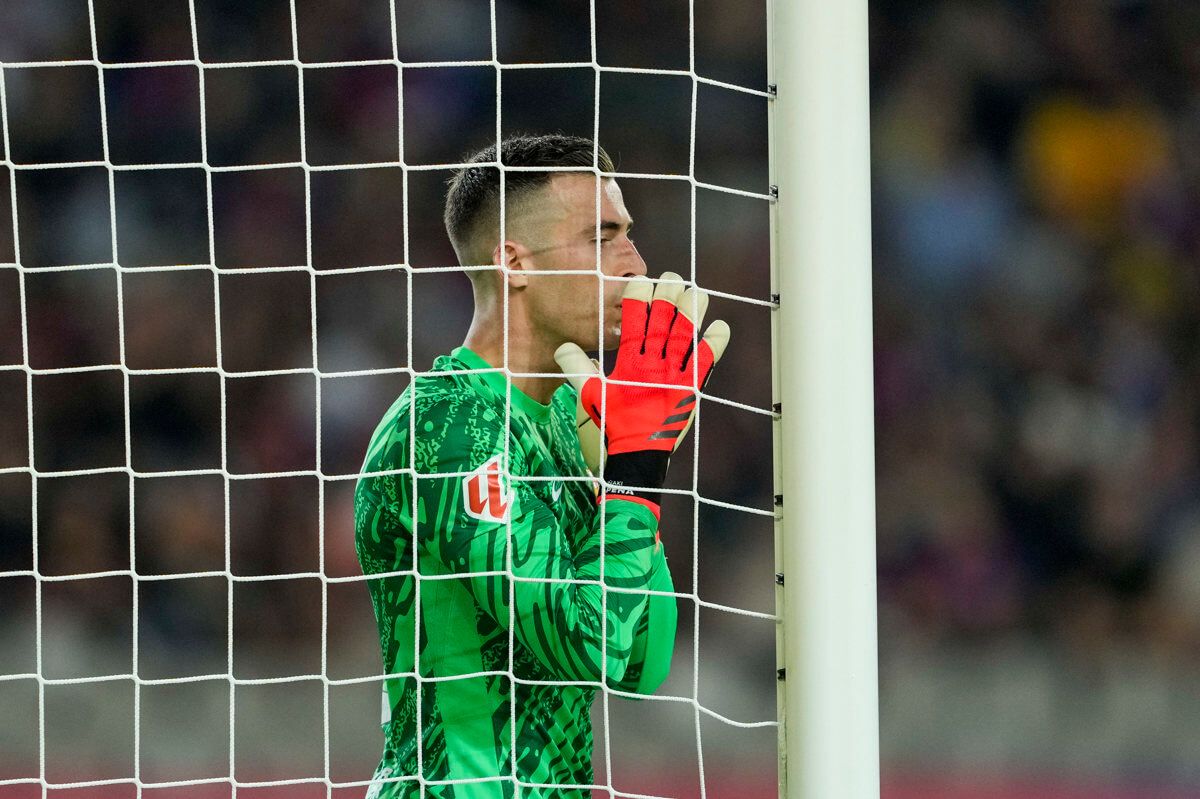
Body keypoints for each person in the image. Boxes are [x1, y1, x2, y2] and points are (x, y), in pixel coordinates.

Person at [355, 134, 730, 798]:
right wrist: (634, 475)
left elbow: (642, 661)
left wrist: (634, 464)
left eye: (629, 236)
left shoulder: (564, 421)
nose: (635, 262)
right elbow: (585, 645)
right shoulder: (447, 426)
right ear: (515, 262)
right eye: (601, 238)